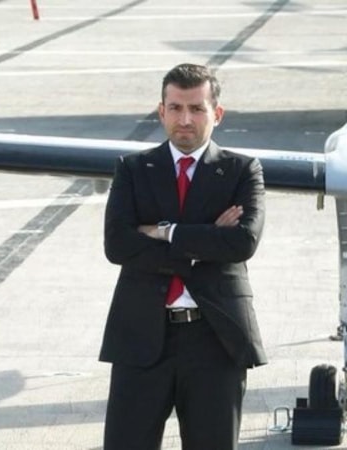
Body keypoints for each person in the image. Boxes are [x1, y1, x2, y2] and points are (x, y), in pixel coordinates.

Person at [100, 63, 267, 450]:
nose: (185, 119)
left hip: (215, 340)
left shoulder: (242, 170)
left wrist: (164, 232)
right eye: (175, 108)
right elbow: (118, 245)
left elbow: (242, 242)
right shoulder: (133, 169)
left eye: (196, 108)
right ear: (161, 112)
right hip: (140, 336)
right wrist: (207, 239)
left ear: (217, 114)